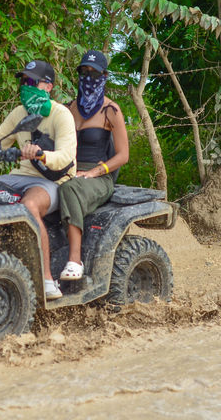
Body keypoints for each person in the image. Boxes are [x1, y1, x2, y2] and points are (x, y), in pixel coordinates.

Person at [0, 59, 77, 299]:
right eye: (23, 81)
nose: (25, 86)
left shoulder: (62, 115)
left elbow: (66, 157)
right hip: (20, 176)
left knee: (29, 206)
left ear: (48, 86)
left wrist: (41, 154)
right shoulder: (19, 113)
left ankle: (48, 280)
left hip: (55, 182)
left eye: (31, 81)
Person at [58, 50, 129, 280]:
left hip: (99, 176)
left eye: (94, 73)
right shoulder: (68, 108)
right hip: (69, 169)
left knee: (68, 189)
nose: (88, 76)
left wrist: (95, 172)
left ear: (104, 75)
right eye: (84, 71)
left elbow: (123, 155)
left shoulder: (111, 110)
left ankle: (75, 260)